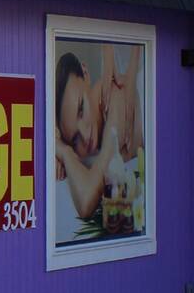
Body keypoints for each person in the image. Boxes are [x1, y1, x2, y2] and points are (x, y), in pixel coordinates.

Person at [53, 44, 144, 223]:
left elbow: (86, 203)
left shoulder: (115, 97)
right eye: (74, 139)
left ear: (86, 74)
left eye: (81, 109)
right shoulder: (90, 141)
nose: (85, 136)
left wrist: (64, 151)